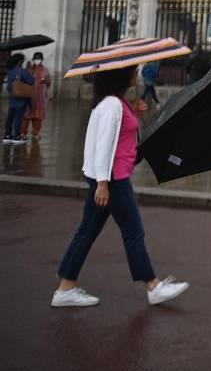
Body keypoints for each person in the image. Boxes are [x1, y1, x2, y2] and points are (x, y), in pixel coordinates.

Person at [51, 64, 189, 308]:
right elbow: (104, 145)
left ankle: (65, 287)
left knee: (87, 232)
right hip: (113, 180)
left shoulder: (113, 102)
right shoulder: (113, 105)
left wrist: (134, 114)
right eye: (134, 71)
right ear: (122, 76)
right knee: (133, 232)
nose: (137, 74)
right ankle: (153, 286)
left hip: (106, 177)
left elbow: (118, 137)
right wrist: (103, 183)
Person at [4, 53, 35, 144]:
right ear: (19, 61)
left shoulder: (10, 71)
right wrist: (30, 73)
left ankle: (7, 135)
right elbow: (31, 81)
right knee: (18, 118)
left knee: (10, 117)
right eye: (22, 61)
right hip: (20, 99)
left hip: (12, 97)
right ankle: (17, 136)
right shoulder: (21, 71)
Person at [22, 51, 52, 140]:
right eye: (35, 58)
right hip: (30, 97)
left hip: (40, 97)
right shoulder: (29, 69)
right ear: (33, 59)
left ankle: (36, 132)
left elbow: (49, 81)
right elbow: (24, 80)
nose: (37, 60)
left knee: (38, 117)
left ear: (42, 59)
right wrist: (30, 71)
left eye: (38, 58)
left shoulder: (45, 70)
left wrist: (46, 81)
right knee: (26, 116)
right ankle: (23, 132)